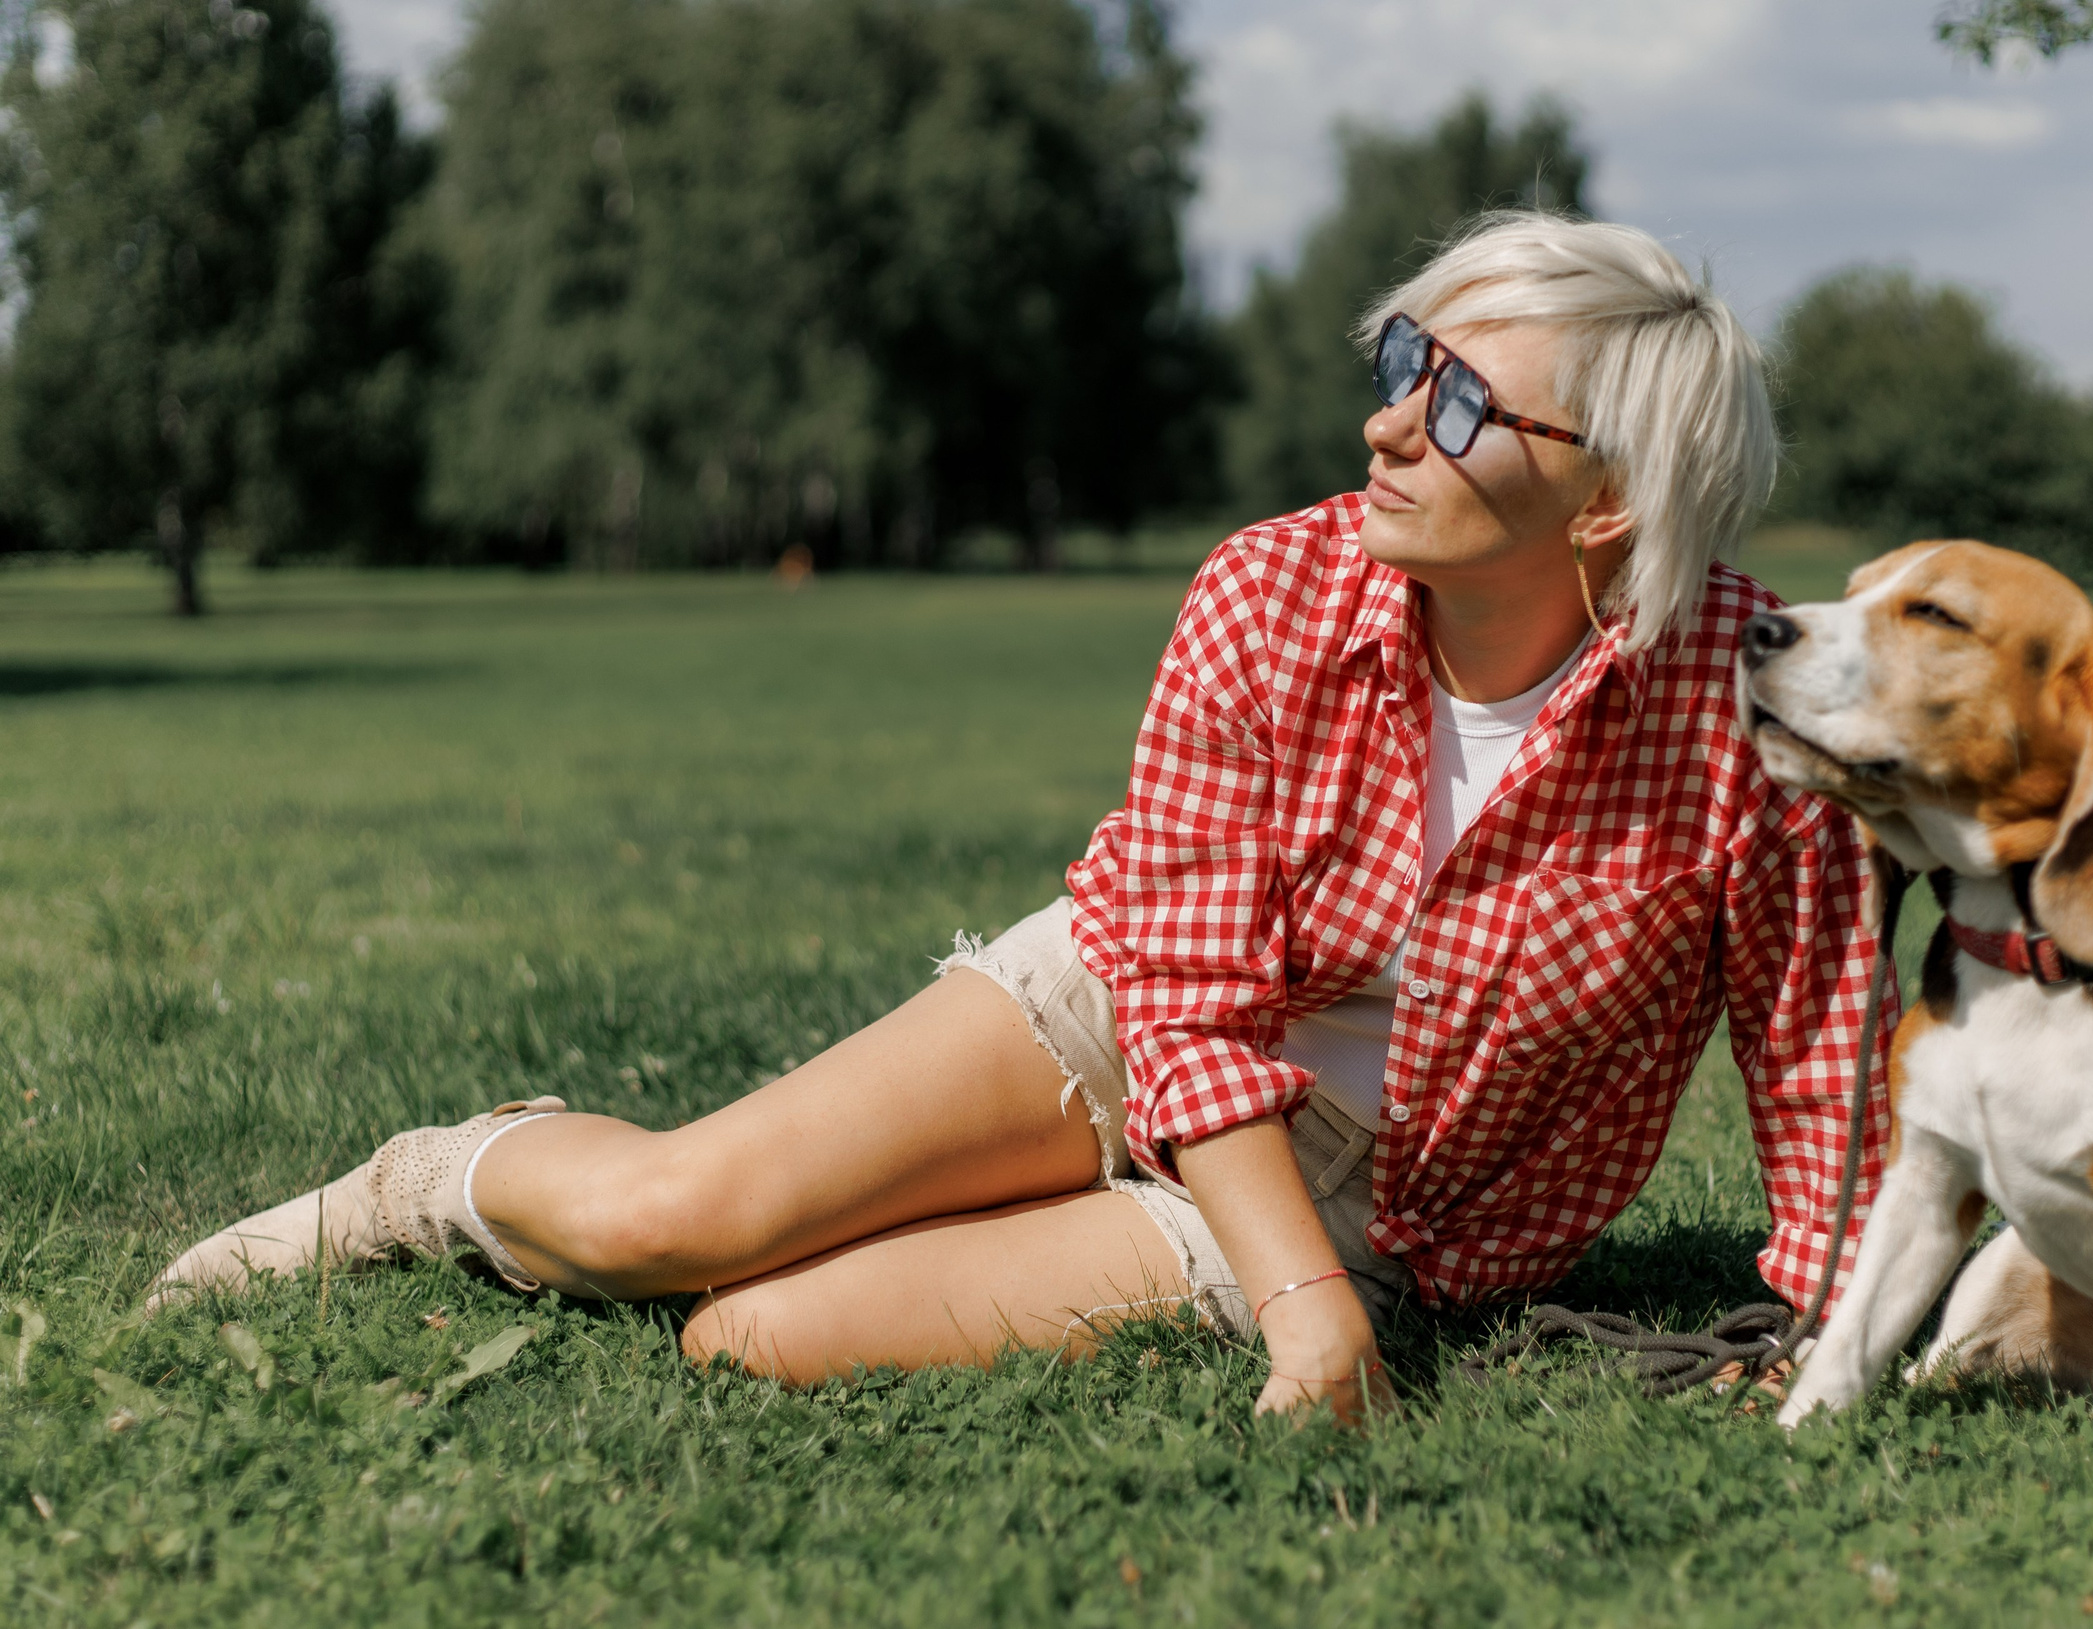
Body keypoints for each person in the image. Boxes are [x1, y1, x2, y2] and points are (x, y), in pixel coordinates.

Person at [155, 213, 1893, 1425]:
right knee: (666, 1221)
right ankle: (418, 1185)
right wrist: (1303, 1312)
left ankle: (920, 1230)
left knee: (751, 1335)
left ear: (1610, 508)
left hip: (1387, 1186)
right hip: (1126, 1004)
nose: (1383, 421)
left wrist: (1820, 1317)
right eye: (1400, 357)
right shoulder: (1269, 594)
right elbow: (1195, 998)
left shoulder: (1756, 707)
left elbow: (1818, 1050)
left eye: (1455, 402)